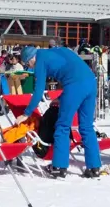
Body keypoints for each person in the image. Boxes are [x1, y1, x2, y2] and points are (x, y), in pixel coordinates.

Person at [19, 40, 103, 178]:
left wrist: (26, 113)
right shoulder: (59, 50)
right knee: (87, 127)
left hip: (75, 86)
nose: (31, 67)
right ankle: (94, 167)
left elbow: (39, 91)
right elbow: (73, 70)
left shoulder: (40, 61)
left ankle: (59, 167)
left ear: (31, 59)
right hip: (91, 82)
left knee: (62, 126)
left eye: (28, 64)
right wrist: (63, 96)